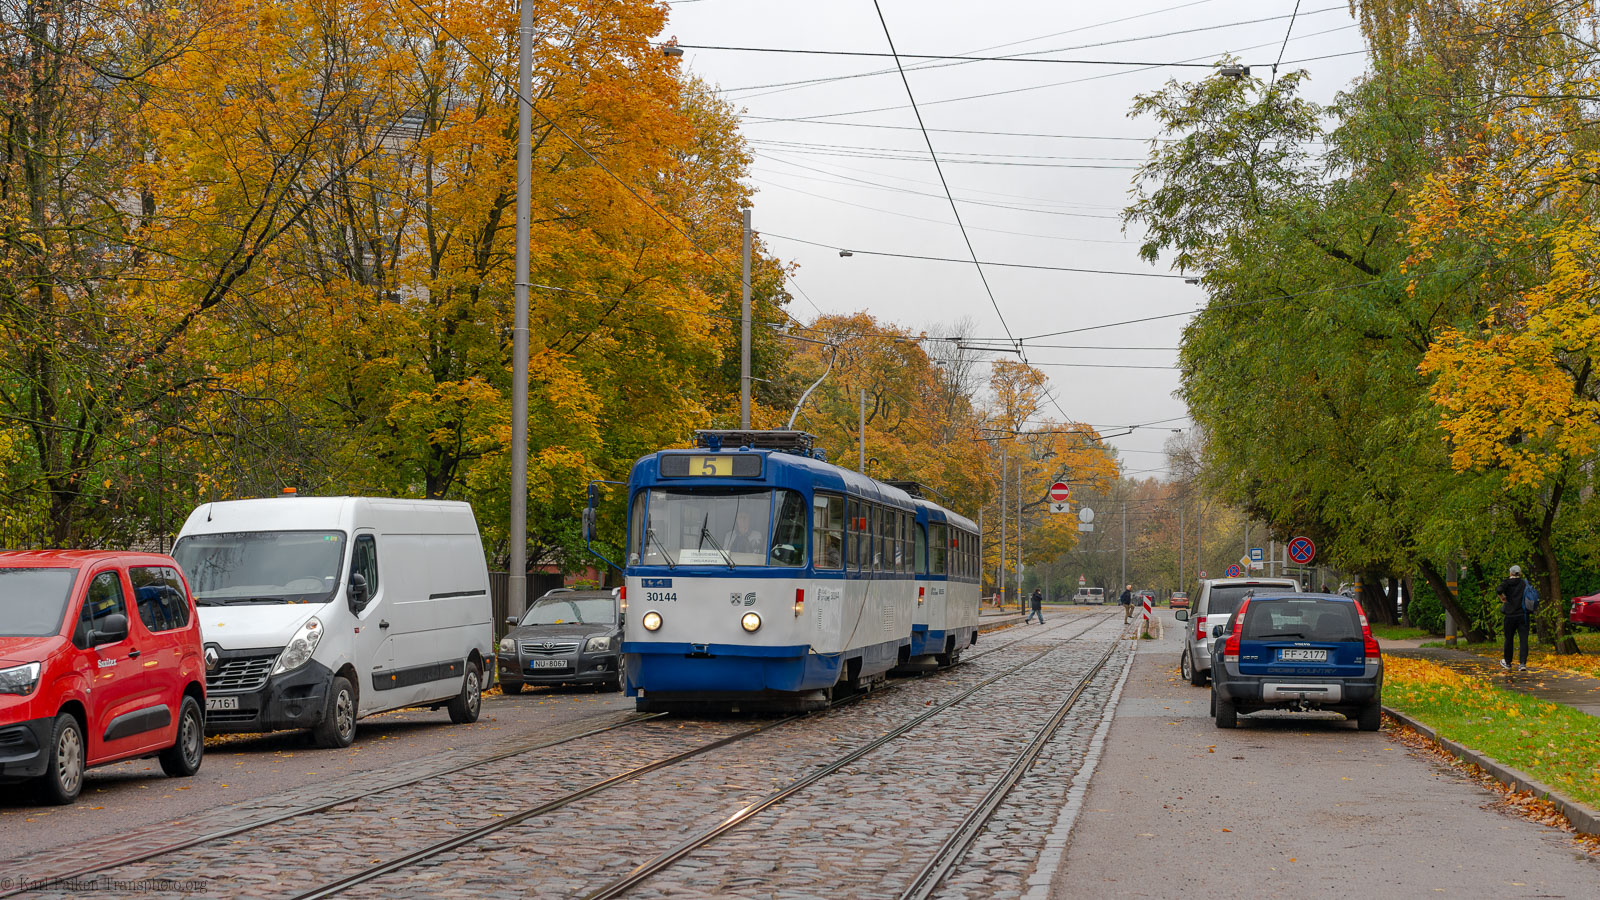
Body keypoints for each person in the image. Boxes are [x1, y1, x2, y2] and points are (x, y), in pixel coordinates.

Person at [1498, 564, 1530, 671]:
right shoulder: (1524, 583)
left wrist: (1502, 597)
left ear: (1510, 573)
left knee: (1509, 639)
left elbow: (1498, 589)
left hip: (1510, 615)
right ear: (1519, 573)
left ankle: (1508, 662)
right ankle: (1522, 664)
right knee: (1523, 639)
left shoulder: (1506, 583)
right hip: (1523, 615)